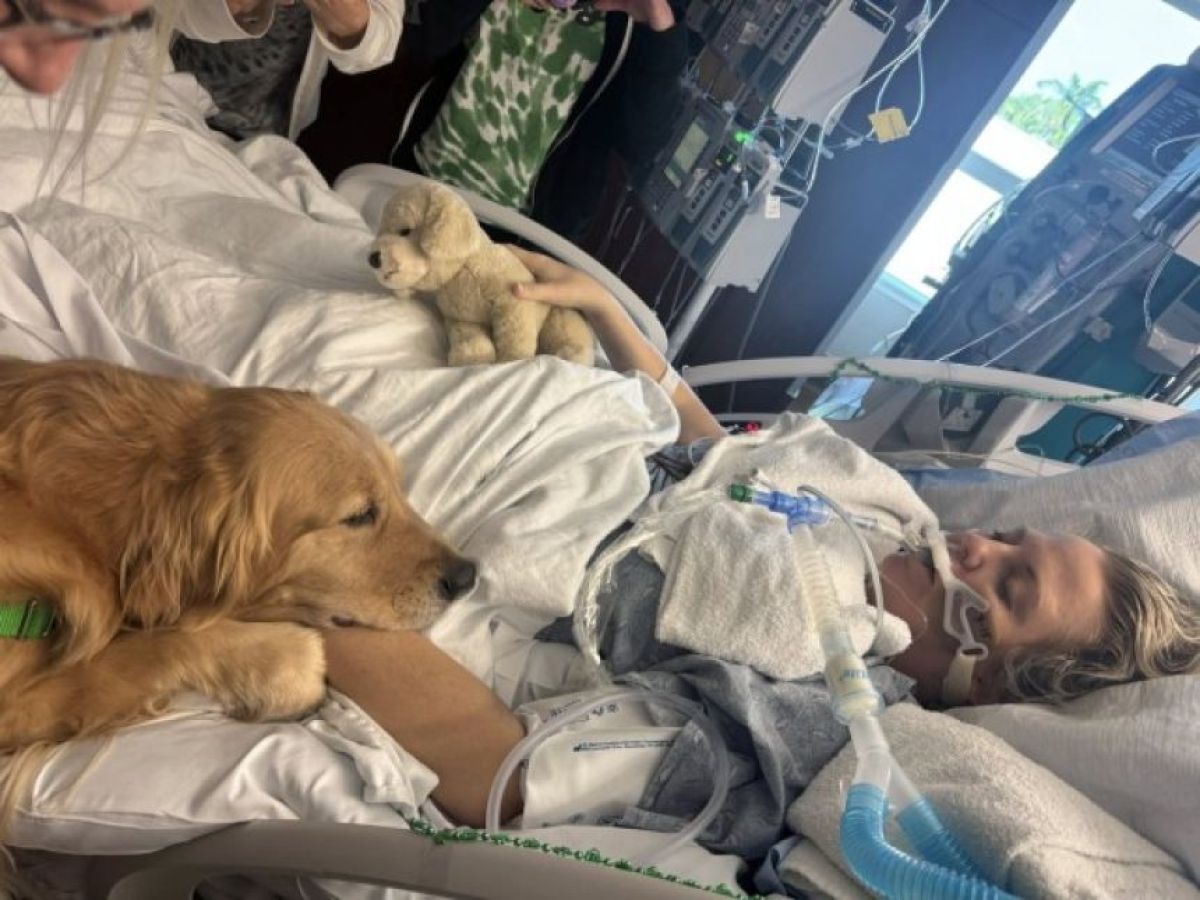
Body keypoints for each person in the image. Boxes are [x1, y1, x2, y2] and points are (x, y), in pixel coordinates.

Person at [323, 249, 1200, 843]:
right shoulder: (887, 511)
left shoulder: (805, 711)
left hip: (436, 507)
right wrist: (610, 314)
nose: (975, 544)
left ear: (994, 683)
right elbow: (723, 458)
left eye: (1009, 588)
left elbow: (503, 776)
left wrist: (308, 597)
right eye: (1008, 538)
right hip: (548, 410)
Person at [170, 0, 403, 141]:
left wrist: (354, 26)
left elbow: (381, 45)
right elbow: (167, 12)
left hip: (260, 129)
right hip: (170, 88)